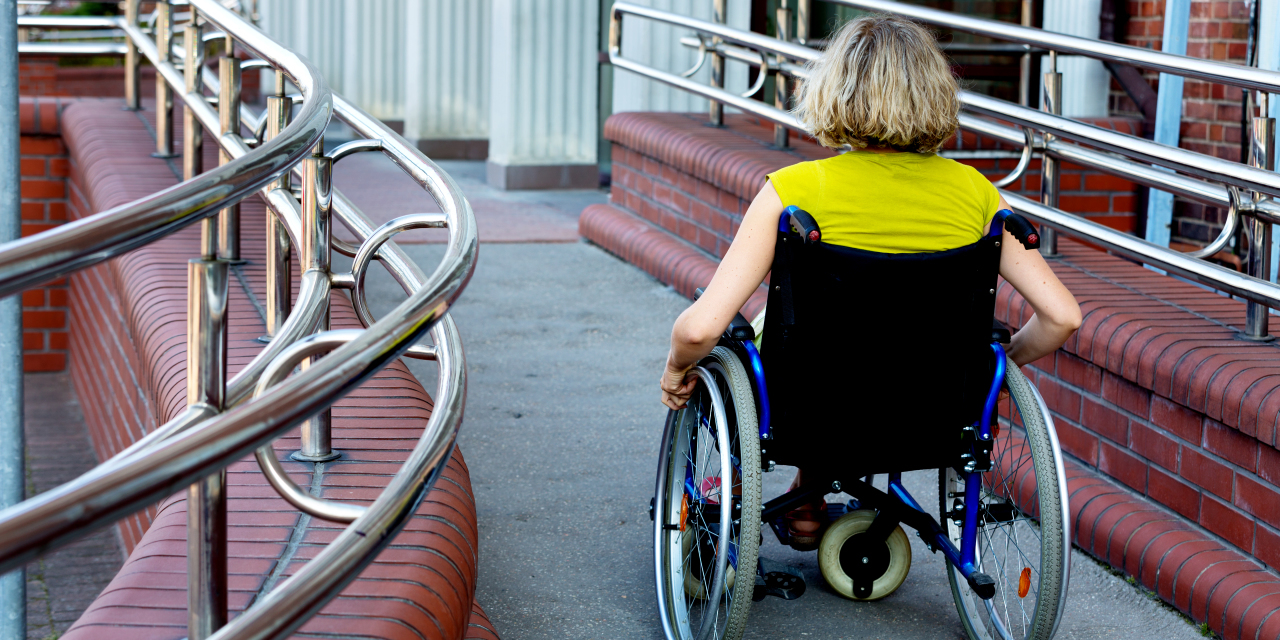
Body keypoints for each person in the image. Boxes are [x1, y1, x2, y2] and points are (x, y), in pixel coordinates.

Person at [657, 14, 1081, 548]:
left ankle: (763, 495)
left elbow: (700, 331)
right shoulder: (977, 194)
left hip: (808, 402)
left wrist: (676, 368)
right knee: (874, 343)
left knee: (773, 336)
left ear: (836, 91)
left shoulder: (795, 191)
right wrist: (989, 372)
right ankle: (812, 492)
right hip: (929, 405)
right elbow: (1064, 317)